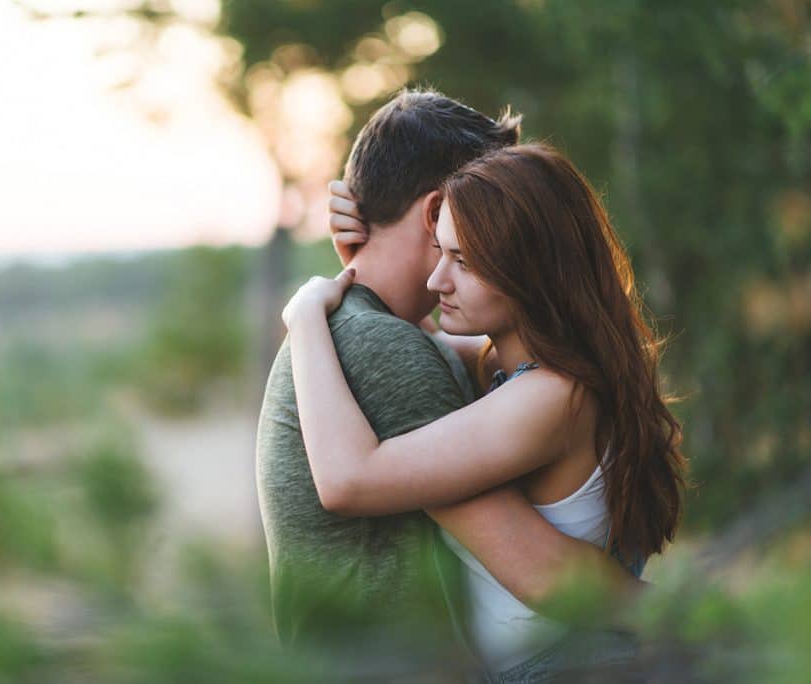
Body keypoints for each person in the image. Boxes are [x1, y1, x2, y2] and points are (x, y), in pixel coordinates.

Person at [255, 90, 640, 680]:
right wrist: (355, 271)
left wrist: (308, 312)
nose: (443, 277)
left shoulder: (372, 341)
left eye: (467, 253)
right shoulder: (410, 349)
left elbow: (546, 567)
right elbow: (431, 338)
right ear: (436, 211)